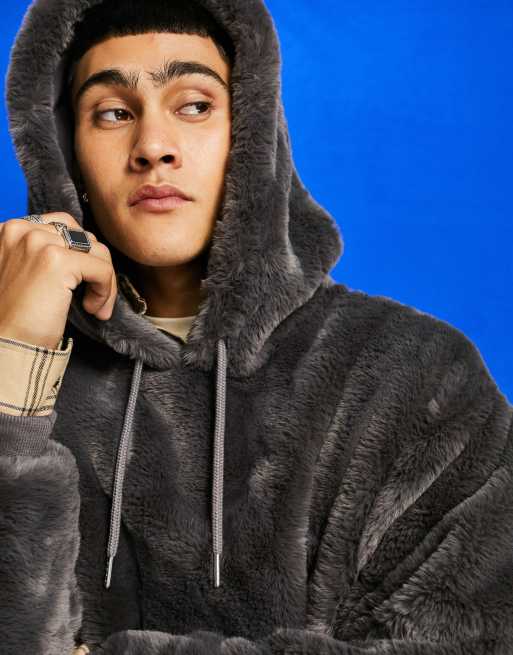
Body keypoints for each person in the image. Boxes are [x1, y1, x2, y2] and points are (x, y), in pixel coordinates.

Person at [0, 0, 512, 653]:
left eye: (194, 105)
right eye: (113, 113)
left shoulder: (418, 377)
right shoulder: (10, 369)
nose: (152, 147)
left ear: (252, 131)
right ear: (64, 150)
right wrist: (13, 374)